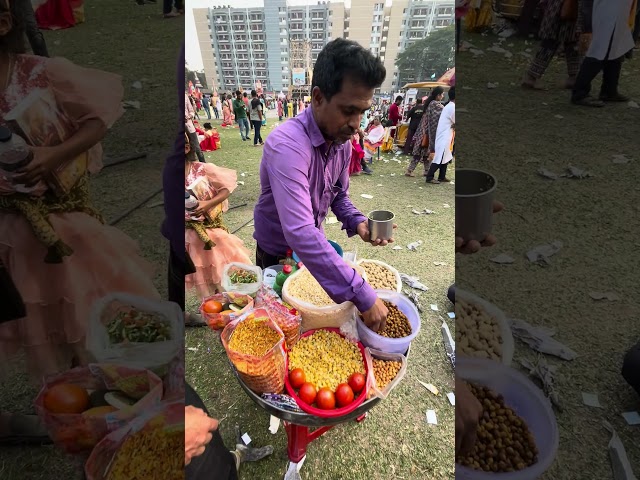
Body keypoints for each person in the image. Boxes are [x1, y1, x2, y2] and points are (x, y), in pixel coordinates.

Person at [0, 1, 160, 381]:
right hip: (9, 233)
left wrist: (55, 153)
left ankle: (92, 376)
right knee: (34, 313)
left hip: (61, 222)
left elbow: (95, 122)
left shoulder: (40, 74)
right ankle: (66, 385)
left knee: (77, 306)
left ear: (3, 22)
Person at [253, 38, 394, 333]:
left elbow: (339, 196)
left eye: (362, 112)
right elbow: (300, 231)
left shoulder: (341, 142)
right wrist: (363, 293)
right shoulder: (287, 146)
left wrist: (357, 223)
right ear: (317, 98)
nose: (356, 124)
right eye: (348, 110)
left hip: (310, 253)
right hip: (278, 253)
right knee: (283, 327)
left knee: (310, 322)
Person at [185, 136, 251, 298]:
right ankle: (213, 303)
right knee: (201, 271)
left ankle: (232, 298)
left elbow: (225, 189)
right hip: (189, 237)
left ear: (186, 148)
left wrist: (207, 204)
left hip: (211, 232)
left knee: (221, 269)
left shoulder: (201, 169)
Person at [571, 0, 635, 107]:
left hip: (620, 12)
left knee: (616, 50)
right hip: (605, 12)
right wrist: (587, 26)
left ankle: (609, 90)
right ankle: (580, 93)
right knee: (598, 51)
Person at [522, 0, 581, 90]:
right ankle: (531, 77)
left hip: (563, 7)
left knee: (570, 41)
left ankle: (574, 77)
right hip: (564, 7)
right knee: (554, 40)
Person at [406, 87, 445, 177]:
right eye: (442, 94)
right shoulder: (435, 104)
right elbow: (442, 113)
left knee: (424, 153)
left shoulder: (429, 103)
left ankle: (426, 171)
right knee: (420, 152)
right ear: (438, 95)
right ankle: (410, 170)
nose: (442, 96)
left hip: (423, 131)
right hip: (426, 132)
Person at [426, 86, 455, 184]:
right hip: (444, 135)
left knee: (446, 156)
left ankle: (441, 176)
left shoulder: (449, 106)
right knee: (439, 157)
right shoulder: (452, 107)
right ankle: (429, 177)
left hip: (446, 134)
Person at [186, 92, 206, 163]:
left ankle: (203, 165)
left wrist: (189, 116)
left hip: (188, 126)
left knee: (197, 148)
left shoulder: (185, 97)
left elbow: (191, 111)